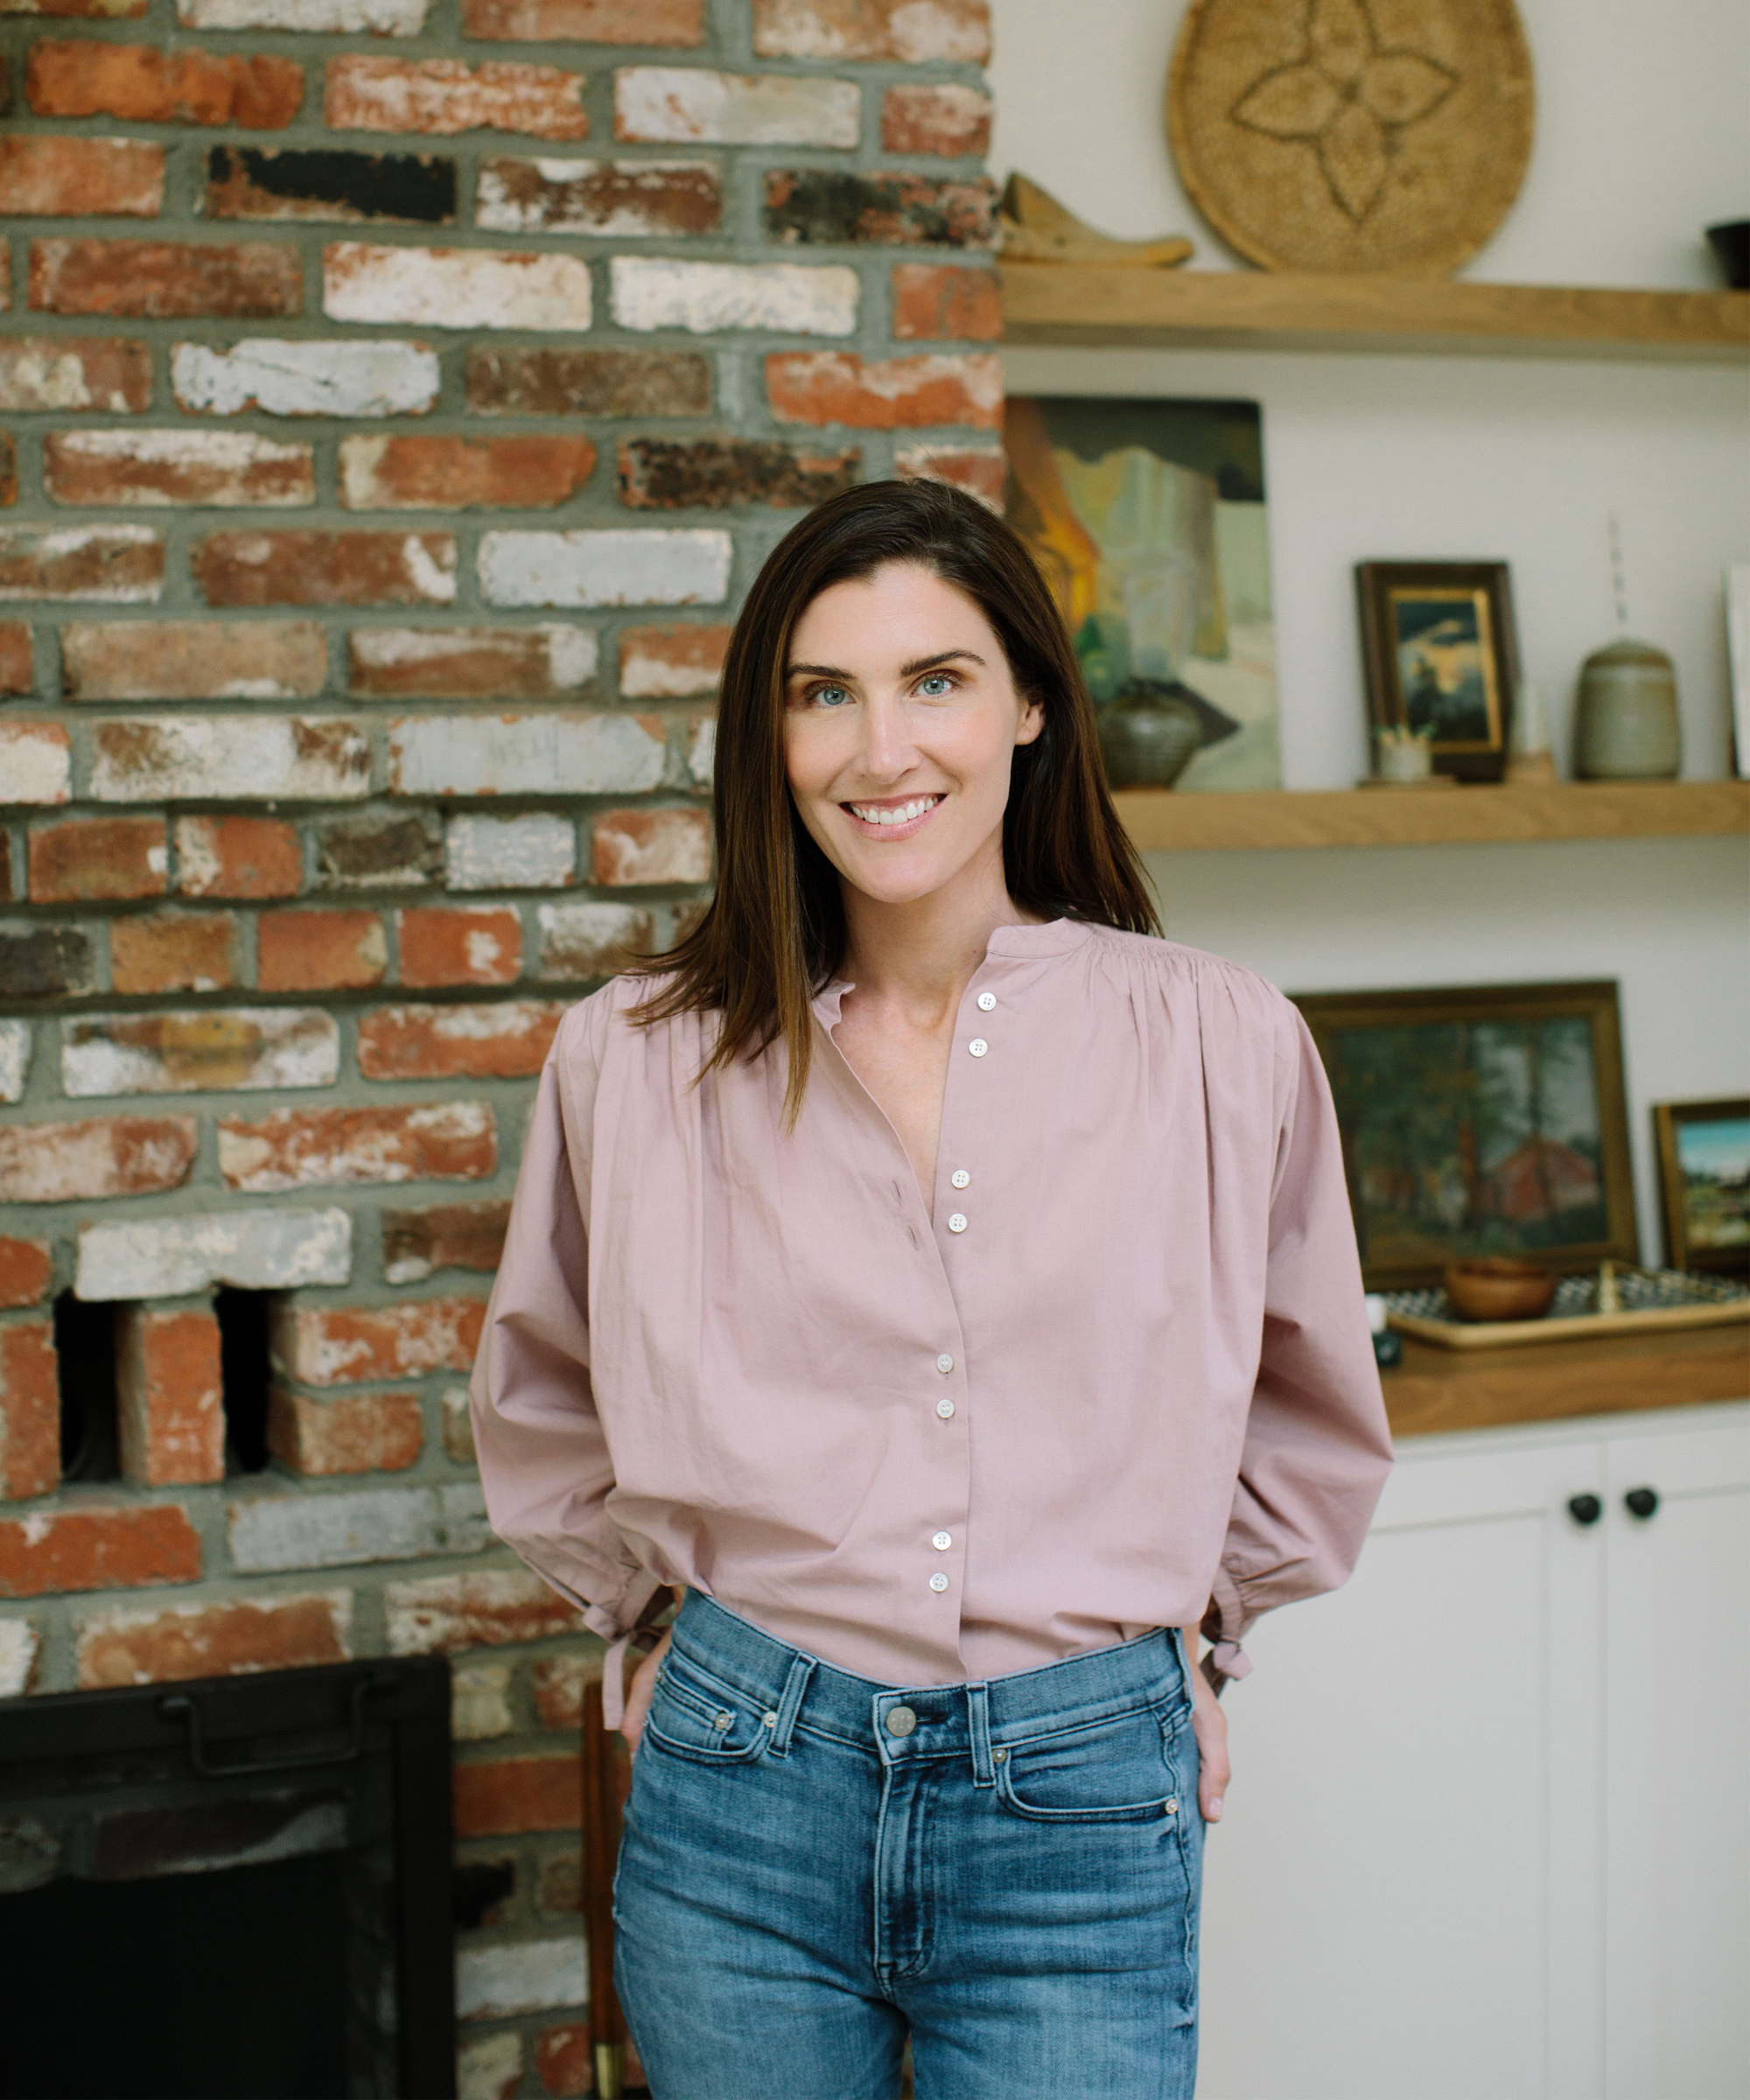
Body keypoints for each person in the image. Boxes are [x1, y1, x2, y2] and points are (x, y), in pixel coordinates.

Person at [470, 478, 1395, 2100]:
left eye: (936, 682)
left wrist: (1190, 1647)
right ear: (769, 737)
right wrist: (653, 1622)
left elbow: (1308, 1406)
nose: (879, 751)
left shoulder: (1220, 1040)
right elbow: (542, 1390)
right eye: (823, 693)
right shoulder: (631, 1056)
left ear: (1031, 702)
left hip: (1084, 1796)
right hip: (738, 1789)